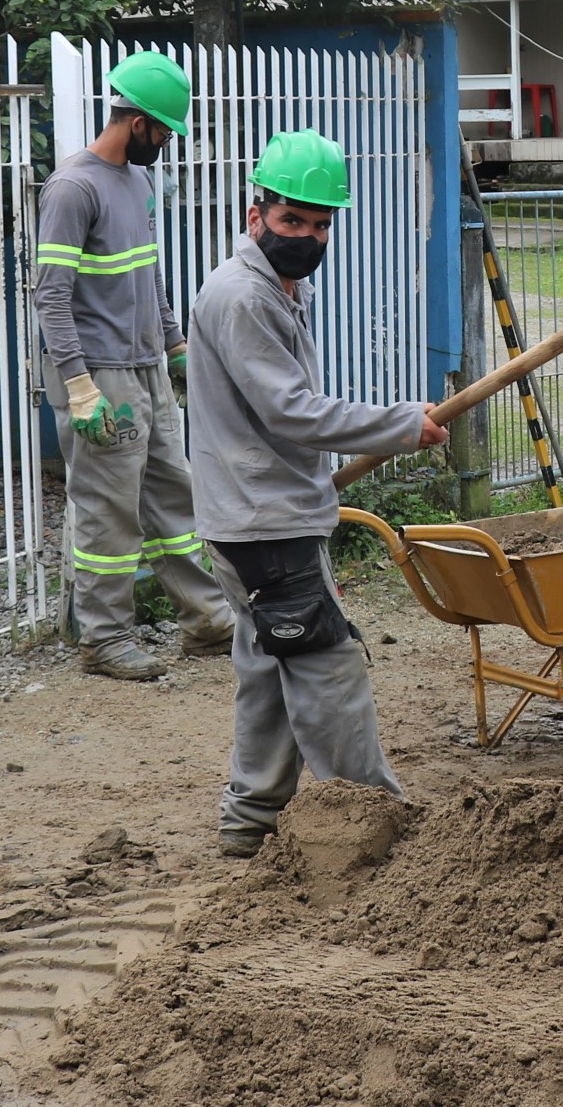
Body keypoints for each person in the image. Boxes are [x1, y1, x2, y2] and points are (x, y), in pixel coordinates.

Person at [188, 130, 445, 857]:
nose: (306, 235)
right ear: (255, 216)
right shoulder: (244, 298)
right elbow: (291, 411)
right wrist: (399, 424)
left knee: (272, 667)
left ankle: (250, 822)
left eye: (321, 223)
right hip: (264, 523)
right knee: (329, 670)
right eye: (291, 220)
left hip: (258, 512)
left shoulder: (274, 290)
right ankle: (375, 824)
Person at [34, 51, 241, 682]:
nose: (167, 142)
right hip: (98, 376)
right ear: (138, 120)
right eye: (165, 131)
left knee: (173, 495)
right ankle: (104, 638)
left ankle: (206, 620)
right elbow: (50, 293)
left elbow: (148, 271)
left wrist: (175, 345)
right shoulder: (73, 188)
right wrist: (77, 386)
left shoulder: (138, 182)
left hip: (144, 366)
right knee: (107, 508)